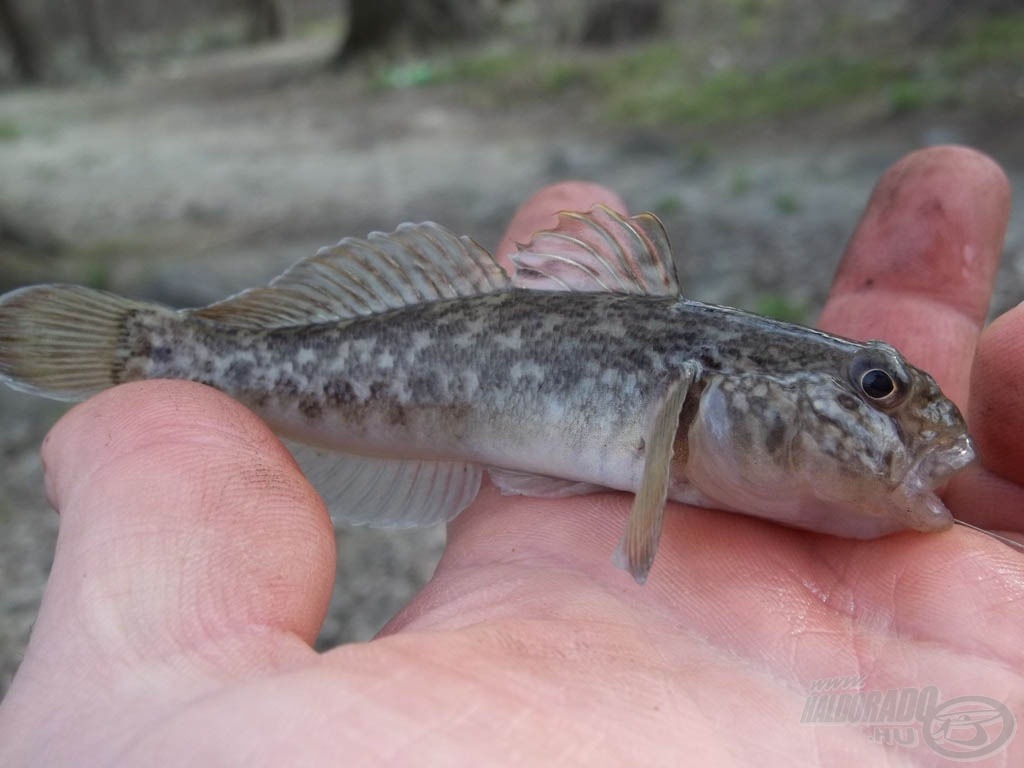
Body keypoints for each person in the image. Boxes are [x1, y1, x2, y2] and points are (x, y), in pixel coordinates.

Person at [0, 146, 1021, 765]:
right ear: (719, 385)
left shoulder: (737, 418)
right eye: (876, 390)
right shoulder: (691, 376)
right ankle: (150, 349)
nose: (893, 415)